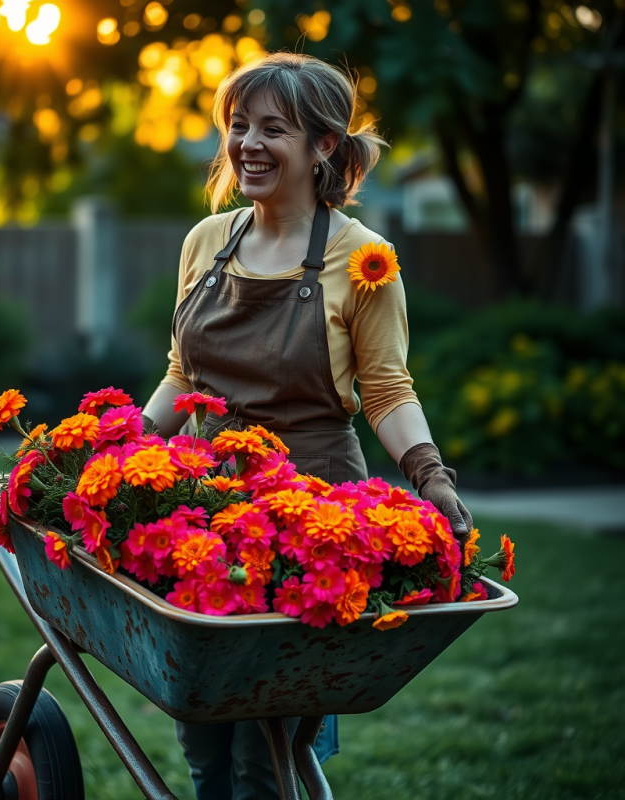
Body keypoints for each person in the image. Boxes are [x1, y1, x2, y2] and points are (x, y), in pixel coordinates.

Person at [142, 52, 473, 800]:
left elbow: (387, 388)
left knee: (269, 757)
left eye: (272, 129)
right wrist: (118, 446)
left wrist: (430, 475)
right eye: (238, 126)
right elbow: (181, 373)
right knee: (204, 744)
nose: (248, 145)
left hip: (308, 520)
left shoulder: (363, 260)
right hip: (200, 518)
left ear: (323, 145)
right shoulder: (206, 241)